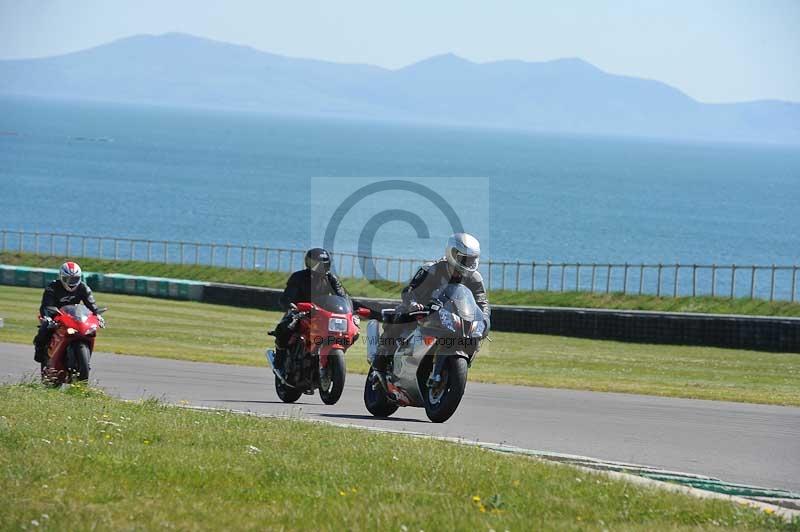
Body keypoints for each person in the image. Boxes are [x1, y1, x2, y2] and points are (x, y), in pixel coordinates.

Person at [372, 232, 490, 381]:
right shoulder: (432, 269)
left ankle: (451, 369)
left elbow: (482, 302)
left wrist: (485, 318)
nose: (468, 263)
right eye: (464, 259)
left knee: (474, 337)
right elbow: (409, 291)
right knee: (399, 317)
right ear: (452, 253)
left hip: (451, 316)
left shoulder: (475, 278)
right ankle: (380, 362)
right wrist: (413, 304)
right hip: (422, 311)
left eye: (472, 259)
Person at [271, 248, 347, 375]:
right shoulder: (299, 277)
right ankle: (279, 362)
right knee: (283, 330)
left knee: (346, 331)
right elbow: (286, 297)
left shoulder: (331, 278)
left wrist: (349, 309)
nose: (319, 267)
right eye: (316, 263)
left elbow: (342, 296)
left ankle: (330, 360)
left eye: (323, 264)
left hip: (322, 314)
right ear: (308, 263)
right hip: (300, 312)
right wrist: (291, 306)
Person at [33, 261, 104, 365]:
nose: (71, 282)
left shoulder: (83, 288)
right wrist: (48, 317)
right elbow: (46, 305)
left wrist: (97, 315)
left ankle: (84, 361)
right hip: (54, 315)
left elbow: (91, 304)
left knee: (88, 331)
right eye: (68, 279)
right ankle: (39, 350)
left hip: (73, 315)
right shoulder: (52, 287)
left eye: (74, 279)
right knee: (45, 327)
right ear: (61, 277)